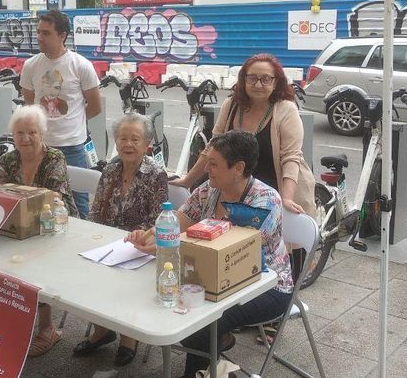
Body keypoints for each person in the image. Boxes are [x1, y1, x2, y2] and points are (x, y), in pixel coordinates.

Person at [126, 131, 294, 378]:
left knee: (203, 323)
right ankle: (213, 352)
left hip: (265, 284)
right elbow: (180, 221)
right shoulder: (209, 189)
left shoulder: (265, 201)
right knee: (173, 303)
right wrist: (150, 235)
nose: (207, 168)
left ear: (238, 168)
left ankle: (198, 369)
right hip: (213, 276)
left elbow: (232, 252)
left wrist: (168, 248)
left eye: (213, 164)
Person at [172, 53, 315, 279]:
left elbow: (291, 157)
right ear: (243, 80)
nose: (258, 84)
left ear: (276, 81)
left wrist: (287, 198)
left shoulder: (285, 109)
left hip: (274, 188)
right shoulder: (232, 105)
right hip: (235, 187)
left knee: (272, 255)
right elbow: (213, 147)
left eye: (266, 79)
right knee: (231, 250)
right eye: (252, 78)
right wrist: (188, 180)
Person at [72, 112, 168, 367]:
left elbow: (159, 219)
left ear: (147, 143)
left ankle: (129, 336)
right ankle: (103, 329)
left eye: (135, 139)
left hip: (139, 244)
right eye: (123, 138)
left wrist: (140, 234)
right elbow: (96, 209)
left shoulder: (155, 173)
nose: (128, 144)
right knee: (84, 265)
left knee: (125, 276)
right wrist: (88, 235)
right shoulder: (111, 168)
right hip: (108, 240)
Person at [0, 105, 78, 357]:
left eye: (32, 132)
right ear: (12, 135)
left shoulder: (54, 157)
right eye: (19, 133)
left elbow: (51, 197)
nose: (25, 138)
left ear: (42, 133)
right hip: (16, 223)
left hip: (54, 223)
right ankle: (4, 316)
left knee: (39, 266)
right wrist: (7, 197)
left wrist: (10, 195)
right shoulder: (7, 159)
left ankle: (47, 327)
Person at [20, 9, 103, 218]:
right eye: (38, 32)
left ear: (62, 35)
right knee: (41, 201)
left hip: (72, 147)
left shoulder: (80, 65)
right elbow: (30, 104)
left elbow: (95, 106)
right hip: (41, 147)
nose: (39, 37)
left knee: (78, 203)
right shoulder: (31, 66)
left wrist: (72, 123)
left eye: (46, 33)